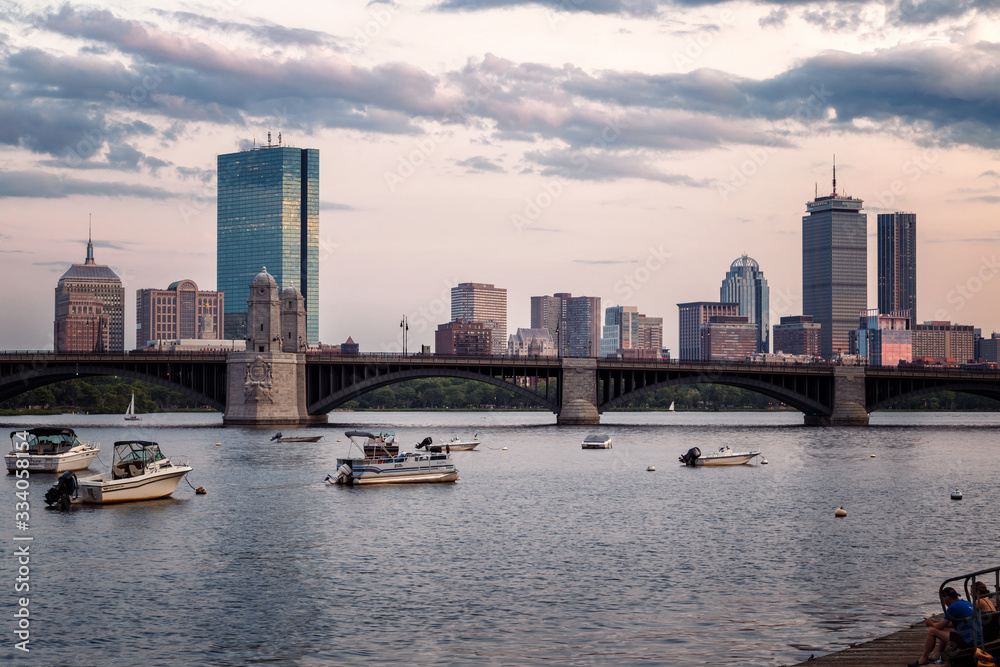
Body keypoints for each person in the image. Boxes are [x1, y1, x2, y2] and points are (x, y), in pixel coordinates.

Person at [909, 587, 980, 667]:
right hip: (977, 638)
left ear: (947, 597)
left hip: (968, 641)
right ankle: (937, 655)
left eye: (943, 599)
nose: (944, 602)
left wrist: (930, 623)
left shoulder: (953, 606)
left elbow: (940, 626)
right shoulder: (966, 603)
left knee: (932, 631)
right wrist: (936, 622)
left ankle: (923, 659)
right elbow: (950, 624)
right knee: (943, 629)